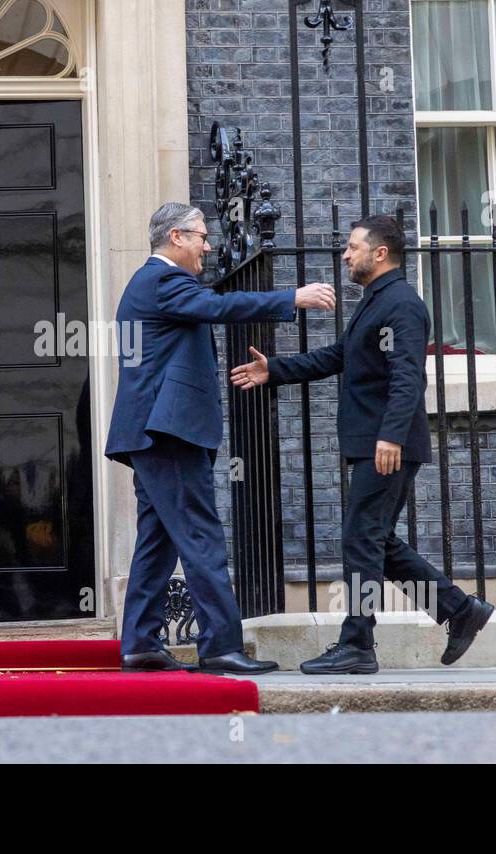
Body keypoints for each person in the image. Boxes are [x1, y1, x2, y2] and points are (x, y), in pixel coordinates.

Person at [230, 215, 494, 673]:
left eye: (353, 247)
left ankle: (357, 644)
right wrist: (274, 369)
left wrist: (390, 435)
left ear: (380, 253)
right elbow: (339, 356)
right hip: (377, 443)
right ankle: (459, 610)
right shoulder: (377, 303)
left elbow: (408, 376)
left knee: (361, 540)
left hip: (387, 445)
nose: (345, 255)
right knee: (375, 540)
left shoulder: (402, 305)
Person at [106, 202, 336, 674]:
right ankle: (219, 646)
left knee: (157, 542)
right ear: (175, 237)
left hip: (154, 432)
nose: (208, 246)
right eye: (201, 236)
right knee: (201, 537)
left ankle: (140, 643)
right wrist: (291, 297)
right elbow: (217, 306)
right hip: (167, 433)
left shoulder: (151, 283)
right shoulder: (163, 280)